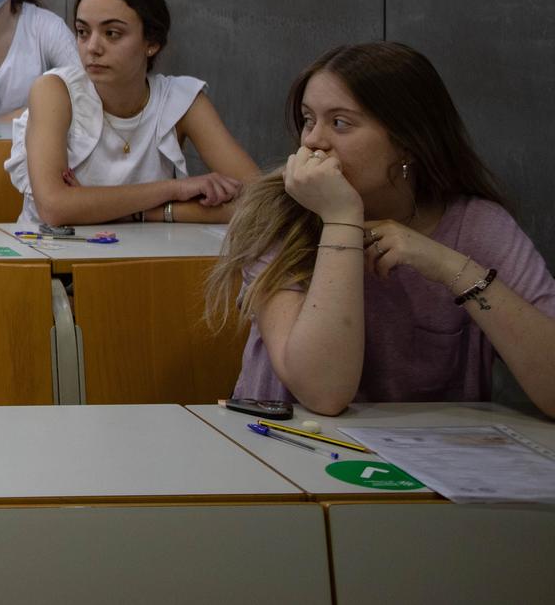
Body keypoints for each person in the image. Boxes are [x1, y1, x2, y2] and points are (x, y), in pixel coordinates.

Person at [207, 43, 555, 416]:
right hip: (285, 452)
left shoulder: (479, 226)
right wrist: (341, 219)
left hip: (430, 460)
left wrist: (452, 268)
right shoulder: (279, 215)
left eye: (340, 123)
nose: (312, 141)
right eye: (309, 119)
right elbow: (323, 392)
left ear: (407, 142)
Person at [5, 0, 260, 227]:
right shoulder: (54, 90)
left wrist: (146, 213)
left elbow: (261, 201)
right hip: (49, 257)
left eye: (112, 33)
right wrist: (174, 190)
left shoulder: (182, 100)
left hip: (147, 259)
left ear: (152, 43)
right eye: (83, 32)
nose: (92, 47)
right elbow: (55, 208)